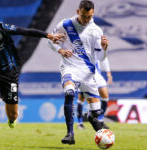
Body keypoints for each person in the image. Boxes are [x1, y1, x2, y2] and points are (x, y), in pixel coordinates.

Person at [0, 2, 63, 146]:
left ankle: (11, 120)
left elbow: (26, 31)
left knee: (13, 115)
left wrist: (48, 35)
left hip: (10, 75)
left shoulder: (2, 28)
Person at [48, 0, 108, 145]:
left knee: (95, 115)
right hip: (69, 67)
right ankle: (70, 134)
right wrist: (60, 50)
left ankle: (101, 133)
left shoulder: (96, 31)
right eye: (84, 16)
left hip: (88, 73)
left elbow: (101, 58)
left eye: (89, 16)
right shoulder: (65, 24)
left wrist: (105, 49)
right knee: (69, 93)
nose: (87, 19)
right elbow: (50, 41)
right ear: (78, 11)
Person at [77, 57, 113, 130]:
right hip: (85, 75)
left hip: (97, 75)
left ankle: (100, 120)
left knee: (105, 96)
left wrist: (108, 73)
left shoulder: (96, 47)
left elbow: (103, 57)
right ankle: (80, 123)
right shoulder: (80, 47)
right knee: (81, 98)